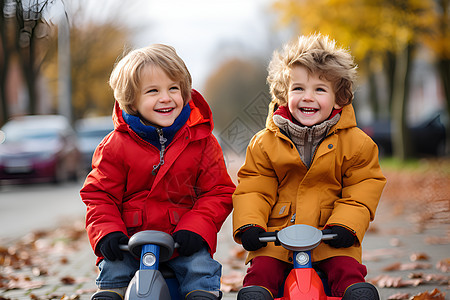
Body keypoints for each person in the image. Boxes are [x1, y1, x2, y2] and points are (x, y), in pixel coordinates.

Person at [232, 33, 386, 300]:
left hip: (330, 234)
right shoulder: (264, 143)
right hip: (277, 237)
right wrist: (250, 226)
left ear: (339, 98)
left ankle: (353, 292)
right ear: (284, 94)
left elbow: (362, 188)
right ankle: (258, 293)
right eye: (298, 88)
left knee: (346, 269)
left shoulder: (357, 144)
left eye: (320, 89)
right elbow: (254, 188)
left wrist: (345, 226)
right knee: (262, 271)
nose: (308, 97)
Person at [80, 44, 235, 300]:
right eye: (153, 91)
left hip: (182, 240)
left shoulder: (202, 141)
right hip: (128, 241)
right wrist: (107, 232)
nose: (166, 98)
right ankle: (111, 293)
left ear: (184, 92)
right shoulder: (115, 146)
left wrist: (197, 228)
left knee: (200, 269)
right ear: (132, 100)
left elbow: (217, 191)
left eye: (173, 88)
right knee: (114, 270)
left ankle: (201, 294)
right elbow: (99, 195)